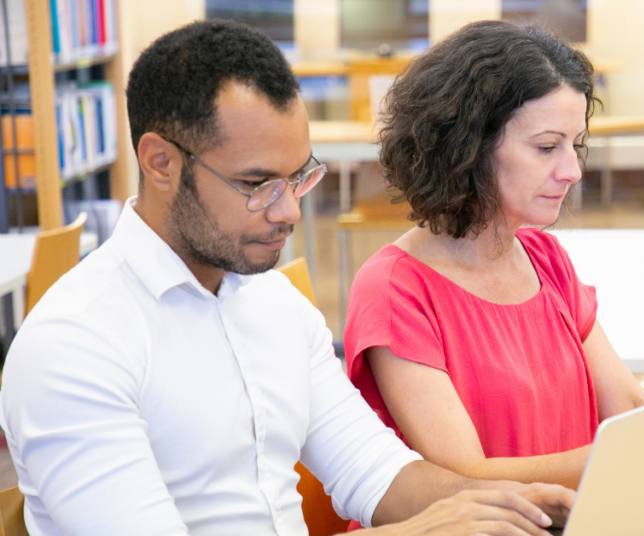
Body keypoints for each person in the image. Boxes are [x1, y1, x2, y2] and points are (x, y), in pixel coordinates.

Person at [0, 20, 573, 536]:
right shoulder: (75, 343)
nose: (289, 212)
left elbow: (375, 471)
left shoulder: (275, 303)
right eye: (258, 185)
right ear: (160, 163)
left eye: (299, 178)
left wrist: (521, 505)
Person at [345, 20, 644, 493]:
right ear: (466, 148)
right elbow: (464, 477)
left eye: (576, 145)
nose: (571, 171)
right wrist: (643, 453)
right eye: (548, 147)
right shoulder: (395, 289)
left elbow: (628, 409)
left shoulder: (543, 257)